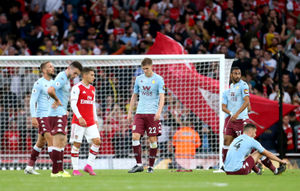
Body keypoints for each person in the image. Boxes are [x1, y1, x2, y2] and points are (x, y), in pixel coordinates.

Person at [127, 58, 165, 173]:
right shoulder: (139, 79)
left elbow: (162, 96)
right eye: (143, 69)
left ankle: (151, 166)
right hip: (139, 112)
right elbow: (134, 96)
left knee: (152, 140)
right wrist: (130, 112)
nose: (145, 71)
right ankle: (138, 164)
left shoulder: (158, 79)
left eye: (147, 69)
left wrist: (159, 112)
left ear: (151, 66)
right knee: (135, 137)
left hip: (152, 113)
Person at [47, 61, 82, 177]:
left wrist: (65, 109)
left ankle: (60, 170)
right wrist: (57, 101)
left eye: (77, 75)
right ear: (69, 68)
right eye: (75, 73)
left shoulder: (66, 79)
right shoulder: (62, 77)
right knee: (58, 141)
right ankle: (55, 171)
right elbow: (50, 90)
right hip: (56, 113)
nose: (75, 76)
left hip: (61, 113)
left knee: (63, 141)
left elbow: (60, 94)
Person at [24, 62, 55, 175]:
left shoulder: (54, 83)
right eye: (50, 67)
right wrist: (33, 117)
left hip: (51, 116)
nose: (52, 68)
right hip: (42, 115)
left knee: (40, 142)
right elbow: (33, 101)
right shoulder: (39, 83)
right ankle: (57, 168)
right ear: (43, 70)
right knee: (51, 139)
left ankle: (29, 167)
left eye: (52, 66)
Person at [69, 67, 100, 176]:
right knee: (77, 144)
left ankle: (88, 166)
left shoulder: (92, 88)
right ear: (85, 75)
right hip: (78, 121)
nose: (94, 77)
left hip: (90, 121)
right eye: (92, 75)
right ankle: (75, 170)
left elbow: (92, 105)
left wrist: (95, 119)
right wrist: (79, 117)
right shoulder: (76, 88)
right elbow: (73, 104)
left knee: (97, 141)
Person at [222, 67, 250, 163]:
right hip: (232, 119)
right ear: (231, 75)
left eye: (239, 73)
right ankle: (225, 165)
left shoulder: (243, 85)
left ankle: (264, 163)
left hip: (241, 119)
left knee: (247, 144)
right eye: (235, 73)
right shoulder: (230, 87)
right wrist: (231, 114)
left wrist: (237, 113)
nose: (237, 76)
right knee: (226, 141)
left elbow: (247, 101)